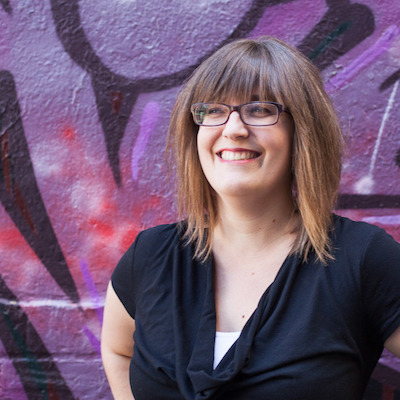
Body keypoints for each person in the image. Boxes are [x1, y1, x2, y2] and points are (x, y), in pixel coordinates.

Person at [101, 36, 400, 400]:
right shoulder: (150, 257)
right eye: (213, 110)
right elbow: (118, 350)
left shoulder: (362, 258)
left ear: (302, 130)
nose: (234, 129)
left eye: (259, 110)